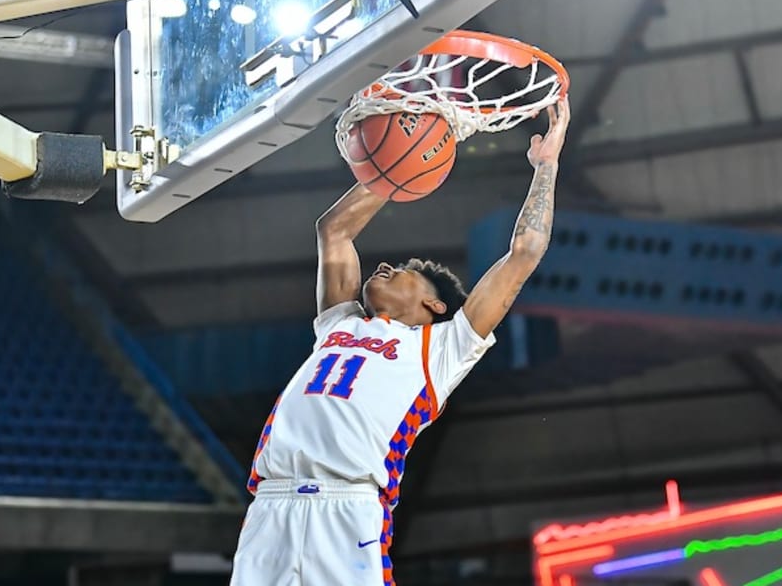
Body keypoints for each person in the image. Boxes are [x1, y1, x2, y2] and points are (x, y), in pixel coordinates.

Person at [230, 97, 571, 586]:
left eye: (406, 271)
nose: (386, 266)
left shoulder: (440, 349)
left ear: (434, 306)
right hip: (271, 505)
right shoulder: (340, 323)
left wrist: (547, 166)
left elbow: (525, 253)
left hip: (347, 512)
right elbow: (334, 230)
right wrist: (393, 172)